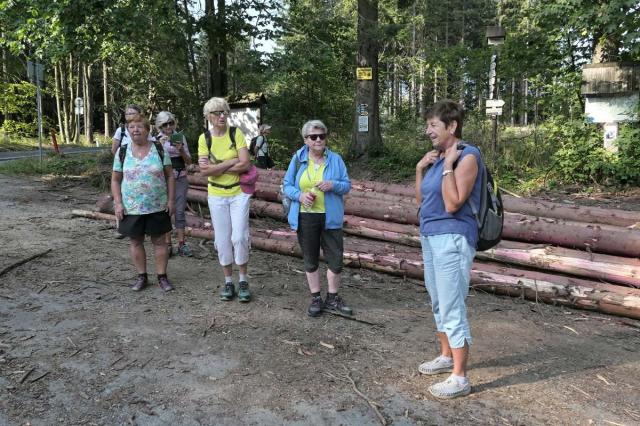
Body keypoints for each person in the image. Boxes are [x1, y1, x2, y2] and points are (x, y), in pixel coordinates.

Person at [414, 100, 482, 399]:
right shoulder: (437, 158)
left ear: (451, 126)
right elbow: (421, 201)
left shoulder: (467, 156)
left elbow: (453, 203)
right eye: (427, 125)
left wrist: (449, 166)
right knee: (438, 301)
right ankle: (445, 357)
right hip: (430, 236)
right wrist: (421, 168)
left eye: (433, 125)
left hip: (453, 237)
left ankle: (460, 376)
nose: (428, 130)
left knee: (452, 305)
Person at [282, 120, 352, 317]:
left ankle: (332, 297)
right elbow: (286, 185)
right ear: (306, 140)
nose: (319, 140)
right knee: (310, 258)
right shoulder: (297, 159)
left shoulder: (336, 159)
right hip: (305, 217)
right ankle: (315, 298)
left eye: (322, 136)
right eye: (313, 137)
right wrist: (300, 196)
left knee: (335, 259)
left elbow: (346, 185)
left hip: (331, 217)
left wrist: (333, 185)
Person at [197, 97, 253, 303]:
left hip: (239, 193)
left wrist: (217, 166)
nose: (222, 116)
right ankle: (229, 281)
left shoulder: (235, 133)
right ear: (209, 117)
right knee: (222, 240)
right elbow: (204, 171)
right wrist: (231, 162)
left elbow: (245, 164)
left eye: (224, 112)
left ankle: (243, 280)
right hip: (217, 195)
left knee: (239, 237)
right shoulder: (204, 138)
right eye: (217, 113)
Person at [111, 116, 176, 292]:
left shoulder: (159, 148)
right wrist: (118, 203)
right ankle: (142, 276)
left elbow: (170, 175)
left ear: (148, 130)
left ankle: (162, 277)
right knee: (135, 241)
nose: (135, 130)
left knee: (160, 241)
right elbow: (116, 180)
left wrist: (171, 200)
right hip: (131, 206)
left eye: (139, 127)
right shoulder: (122, 151)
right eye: (131, 127)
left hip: (158, 205)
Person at [155, 111, 193, 257]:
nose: (169, 126)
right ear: (160, 126)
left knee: (180, 210)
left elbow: (189, 161)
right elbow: (152, 161)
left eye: (171, 123)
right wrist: (159, 146)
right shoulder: (155, 139)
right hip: (163, 179)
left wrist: (181, 149)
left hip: (181, 177)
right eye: (165, 124)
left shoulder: (180, 137)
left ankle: (182, 243)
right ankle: (168, 243)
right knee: (166, 211)